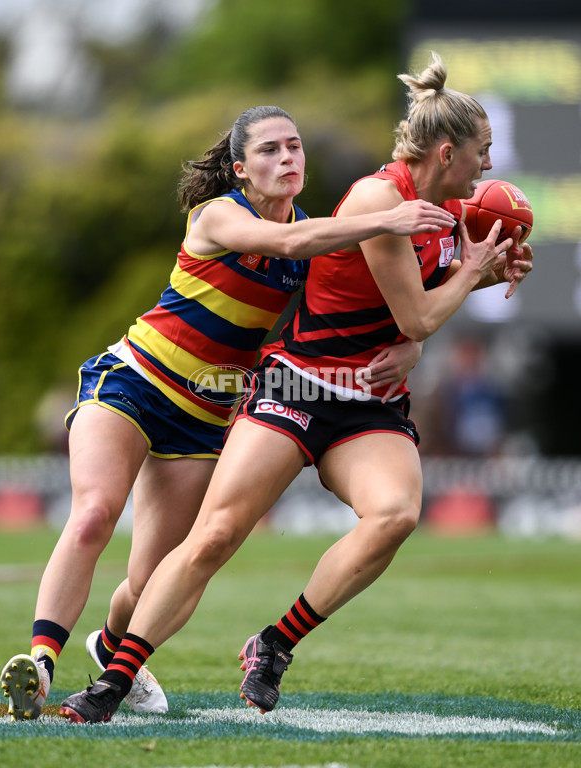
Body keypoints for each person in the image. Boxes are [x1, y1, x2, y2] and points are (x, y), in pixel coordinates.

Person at [57, 52, 533, 724]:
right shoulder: (380, 199)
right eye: (482, 151)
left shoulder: (455, 213)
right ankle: (111, 680)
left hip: (367, 400)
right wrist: (457, 287)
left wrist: (487, 270)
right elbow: (418, 312)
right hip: (301, 382)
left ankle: (274, 644)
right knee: (216, 535)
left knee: (396, 514)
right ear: (448, 151)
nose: (489, 165)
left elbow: (418, 311)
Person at [0, 105, 454, 721]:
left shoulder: (315, 238)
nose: (287, 158)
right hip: (135, 380)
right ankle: (41, 664)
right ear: (240, 169)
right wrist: (389, 217)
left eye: (294, 146)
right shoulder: (219, 215)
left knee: (147, 581)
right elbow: (294, 240)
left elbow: (365, 293)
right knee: (94, 514)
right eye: (269, 150)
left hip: (206, 416)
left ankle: (112, 651)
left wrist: (418, 335)